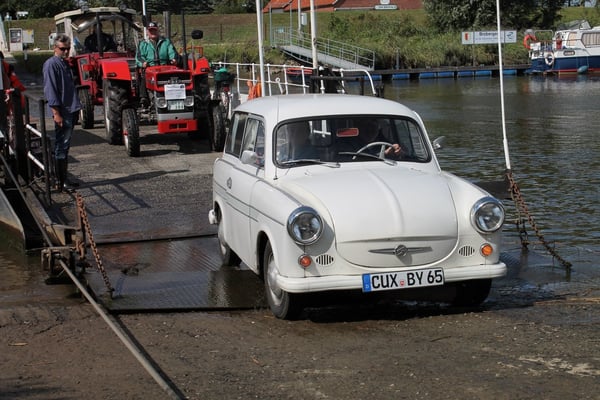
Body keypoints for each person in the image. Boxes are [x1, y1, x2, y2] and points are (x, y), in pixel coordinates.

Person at [43, 34, 82, 192]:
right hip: (63, 110)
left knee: (64, 145)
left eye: (68, 49)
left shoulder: (64, 63)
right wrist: (56, 113)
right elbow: (51, 90)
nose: (65, 51)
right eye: (62, 49)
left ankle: (62, 178)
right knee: (62, 145)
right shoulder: (51, 64)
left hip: (70, 108)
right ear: (55, 48)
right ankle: (61, 180)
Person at [135, 22, 180, 106]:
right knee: (145, 77)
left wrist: (173, 59)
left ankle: (177, 97)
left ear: (157, 31)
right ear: (147, 32)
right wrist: (143, 63)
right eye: (151, 31)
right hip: (150, 68)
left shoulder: (166, 42)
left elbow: (172, 52)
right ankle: (144, 98)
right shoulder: (143, 44)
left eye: (154, 30)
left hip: (165, 67)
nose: (153, 32)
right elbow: (139, 57)